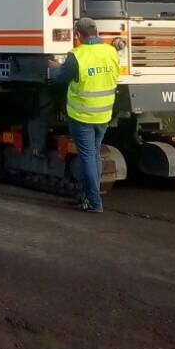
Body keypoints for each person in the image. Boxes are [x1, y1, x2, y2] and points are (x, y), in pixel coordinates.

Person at [48, 17, 120, 212]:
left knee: (87, 157)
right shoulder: (111, 51)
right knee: (94, 155)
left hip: (82, 115)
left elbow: (61, 78)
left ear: (78, 35)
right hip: (104, 114)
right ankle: (87, 197)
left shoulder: (77, 55)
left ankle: (95, 203)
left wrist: (54, 68)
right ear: (96, 32)